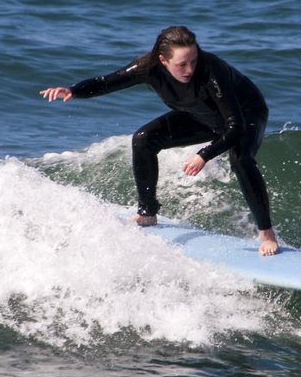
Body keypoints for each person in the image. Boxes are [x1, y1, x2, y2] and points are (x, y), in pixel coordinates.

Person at [40, 26, 280, 256]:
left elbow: (235, 127)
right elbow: (106, 82)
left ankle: (267, 233)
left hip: (245, 115)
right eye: (182, 64)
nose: (190, 69)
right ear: (163, 61)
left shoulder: (212, 72)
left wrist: (204, 154)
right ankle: (147, 213)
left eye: (194, 61)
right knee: (144, 139)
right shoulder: (147, 68)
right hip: (203, 116)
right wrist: (73, 90)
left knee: (240, 158)